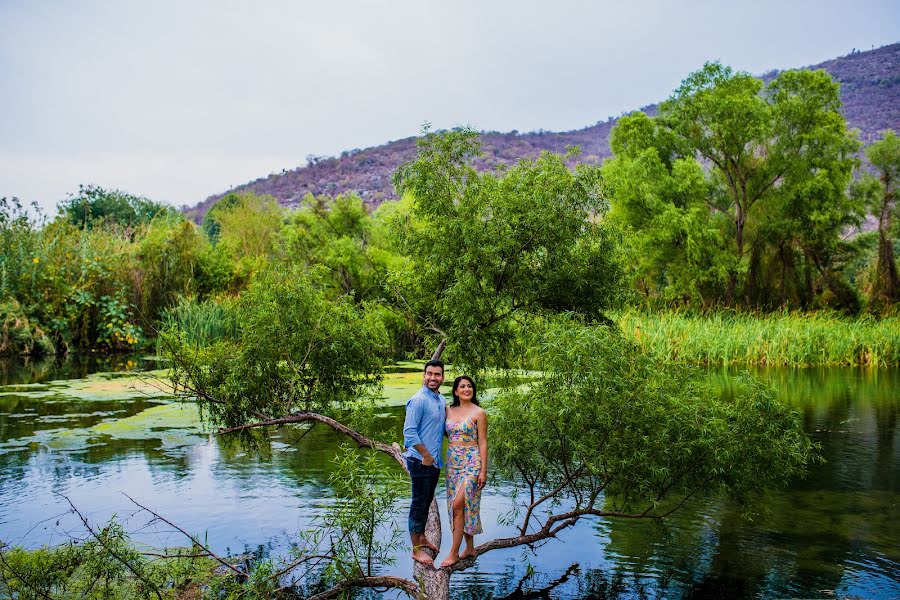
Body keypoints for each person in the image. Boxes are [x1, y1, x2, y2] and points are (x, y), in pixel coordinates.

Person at [440, 375, 487, 568]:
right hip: (453, 464)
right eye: (462, 386)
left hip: (472, 463)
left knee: (458, 505)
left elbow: (483, 442)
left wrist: (483, 470)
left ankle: (453, 553)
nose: (467, 389)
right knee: (461, 506)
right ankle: (469, 547)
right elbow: (445, 433)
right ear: (456, 391)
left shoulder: (479, 413)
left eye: (469, 386)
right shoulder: (447, 410)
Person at [403, 359, 446, 565]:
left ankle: (422, 538)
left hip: (434, 462)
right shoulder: (419, 399)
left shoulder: (441, 400)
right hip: (421, 461)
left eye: (437, 374)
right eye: (429, 373)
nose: (433, 378)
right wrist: (426, 455)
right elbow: (409, 432)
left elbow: (437, 429)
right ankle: (416, 549)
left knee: (427, 502)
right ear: (424, 375)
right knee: (419, 505)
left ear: (443, 377)